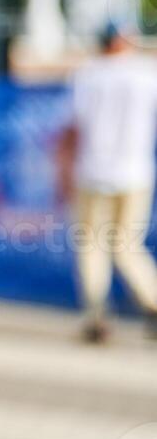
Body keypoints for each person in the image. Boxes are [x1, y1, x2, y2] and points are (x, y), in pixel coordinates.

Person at [59, 23, 157, 344]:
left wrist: (63, 172)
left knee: (92, 246)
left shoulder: (89, 73)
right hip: (135, 173)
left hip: (94, 173)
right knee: (127, 246)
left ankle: (96, 314)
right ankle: (152, 302)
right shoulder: (146, 72)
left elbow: (72, 130)